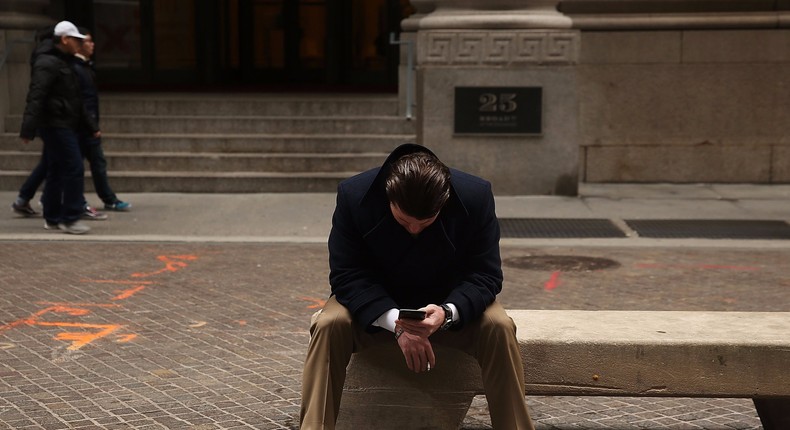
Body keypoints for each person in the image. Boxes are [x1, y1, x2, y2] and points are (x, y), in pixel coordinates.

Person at [300, 143, 535, 429]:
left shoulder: (476, 196)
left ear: (443, 202)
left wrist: (447, 313)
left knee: (499, 326)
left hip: (450, 301)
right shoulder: (354, 195)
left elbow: (485, 275)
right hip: (374, 304)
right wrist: (396, 323)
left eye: (425, 222)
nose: (413, 229)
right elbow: (347, 274)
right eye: (403, 220)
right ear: (388, 197)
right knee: (328, 325)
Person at [18, 21, 100, 234]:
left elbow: (75, 99)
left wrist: (90, 126)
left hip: (63, 121)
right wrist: (28, 128)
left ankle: (53, 216)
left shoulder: (65, 62)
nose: (80, 45)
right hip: (56, 123)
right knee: (73, 166)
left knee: (56, 168)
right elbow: (36, 95)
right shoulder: (48, 62)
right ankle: (70, 217)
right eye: (77, 40)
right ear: (65, 39)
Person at [72, 27, 130, 212]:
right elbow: (80, 102)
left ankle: (108, 198)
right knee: (77, 165)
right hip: (81, 125)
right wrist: (91, 124)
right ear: (79, 45)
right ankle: (77, 200)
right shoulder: (76, 69)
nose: (92, 44)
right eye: (88, 41)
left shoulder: (86, 67)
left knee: (97, 163)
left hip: (88, 123)